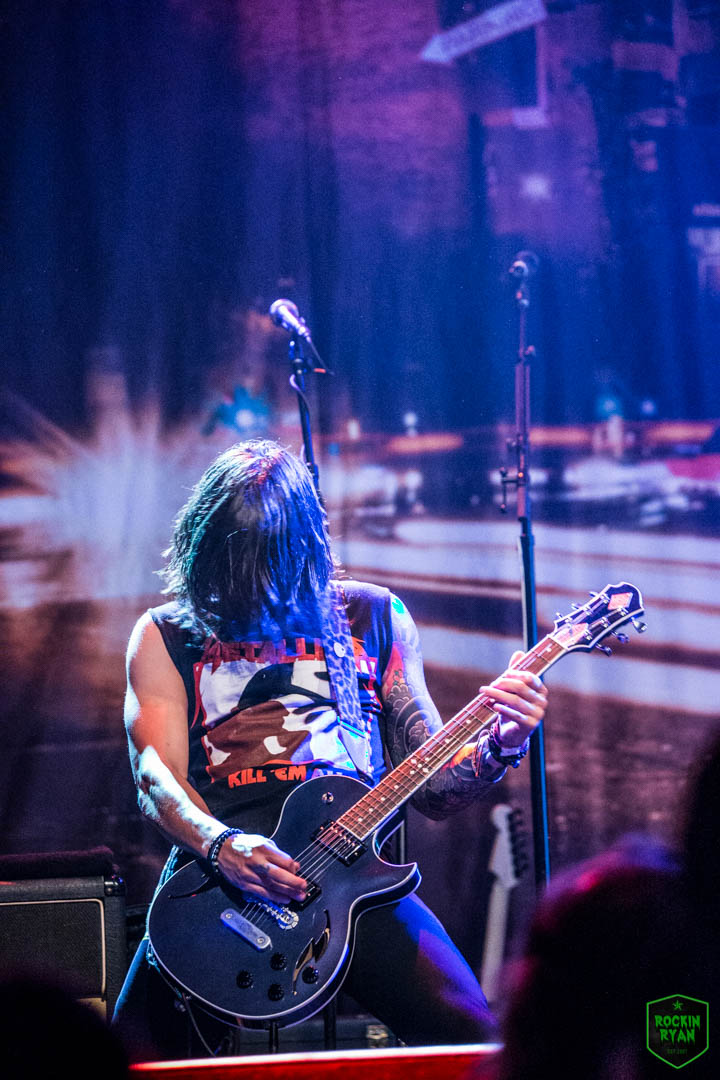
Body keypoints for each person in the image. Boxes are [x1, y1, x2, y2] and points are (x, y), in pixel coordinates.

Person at [112, 439, 548, 1061]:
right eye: (235, 574)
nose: (253, 595)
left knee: (477, 1049)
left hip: (351, 878)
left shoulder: (371, 617)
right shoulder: (165, 633)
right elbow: (154, 775)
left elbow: (435, 789)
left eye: (268, 569)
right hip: (219, 888)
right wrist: (221, 845)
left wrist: (503, 742)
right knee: (129, 1060)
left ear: (302, 551)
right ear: (201, 551)